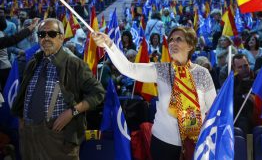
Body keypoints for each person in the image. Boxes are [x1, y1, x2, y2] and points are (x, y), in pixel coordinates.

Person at [92, 26, 216, 160]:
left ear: (190, 45)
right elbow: (129, 68)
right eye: (171, 40)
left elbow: (214, 109)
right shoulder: (161, 70)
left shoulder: (202, 74)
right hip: (163, 143)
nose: (173, 43)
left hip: (195, 143)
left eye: (179, 39)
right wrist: (109, 45)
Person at [12, 18, 105, 160]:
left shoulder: (74, 64)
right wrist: (22, 120)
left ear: (61, 37)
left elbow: (98, 93)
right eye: (42, 34)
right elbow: (24, 93)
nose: (46, 38)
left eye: (52, 34)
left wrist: (72, 112)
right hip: (29, 137)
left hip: (58, 138)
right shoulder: (33, 62)